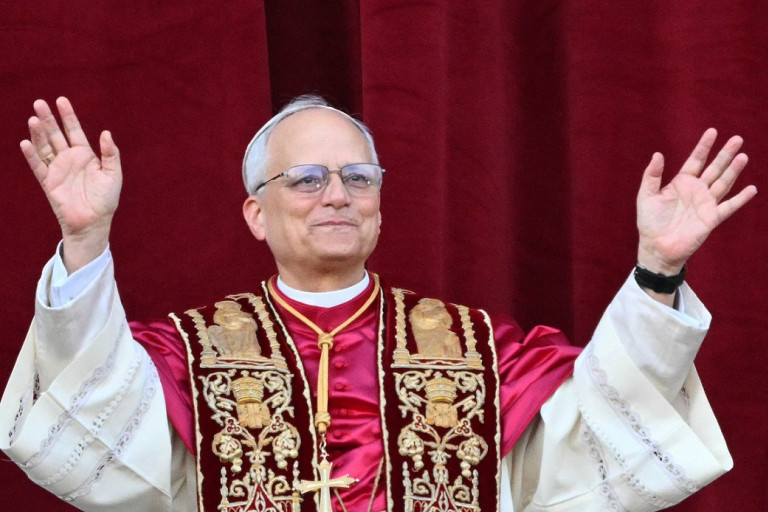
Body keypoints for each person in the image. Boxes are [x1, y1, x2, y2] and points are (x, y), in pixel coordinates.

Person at [0, 95, 755, 512]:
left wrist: (658, 270)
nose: (337, 194)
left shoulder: (478, 348)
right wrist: (85, 243)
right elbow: (93, 416)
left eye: (358, 178)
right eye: (307, 179)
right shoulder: (188, 353)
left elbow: (601, 432)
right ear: (256, 214)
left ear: (380, 207)